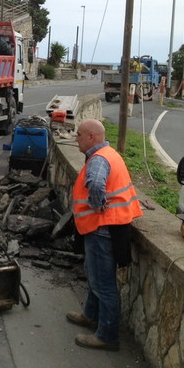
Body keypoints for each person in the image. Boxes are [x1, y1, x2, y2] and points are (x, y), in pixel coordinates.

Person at [66, 118, 143, 351]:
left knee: (103, 283)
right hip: (108, 228)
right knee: (95, 276)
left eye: (79, 134)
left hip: (102, 229)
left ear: (91, 137)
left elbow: (97, 186)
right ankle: (90, 315)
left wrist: (98, 206)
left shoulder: (98, 160)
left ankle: (107, 336)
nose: (76, 138)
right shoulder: (109, 154)